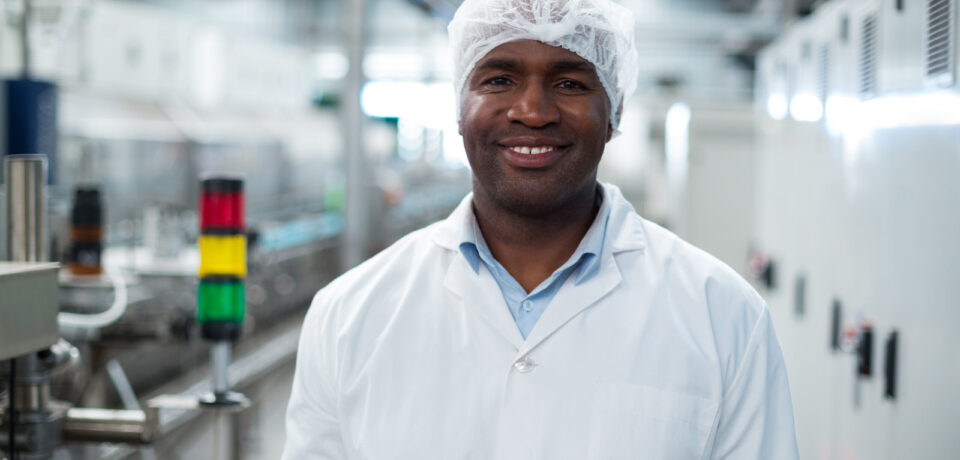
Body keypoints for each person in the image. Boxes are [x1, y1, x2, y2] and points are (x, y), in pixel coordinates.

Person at [282, 0, 799, 458]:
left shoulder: (723, 315)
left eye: (570, 82)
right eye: (499, 79)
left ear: (614, 111)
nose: (533, 111)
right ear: (460, 108)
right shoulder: (350, 315)